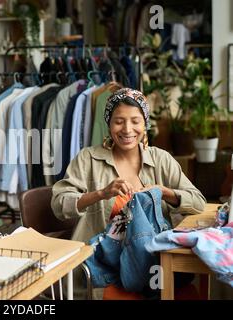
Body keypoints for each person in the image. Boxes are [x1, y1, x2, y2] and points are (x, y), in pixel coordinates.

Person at [51, 87, 206, 297]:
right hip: (100, 272)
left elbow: (198, 201)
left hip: (152, 267)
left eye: (135, 121)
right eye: (119, 121)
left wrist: (165, 192)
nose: (127, 129)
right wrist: (101, 193)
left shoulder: (161, 159)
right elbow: (60, 205)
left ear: (145, 124)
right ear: (108, 123)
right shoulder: (88, 159)